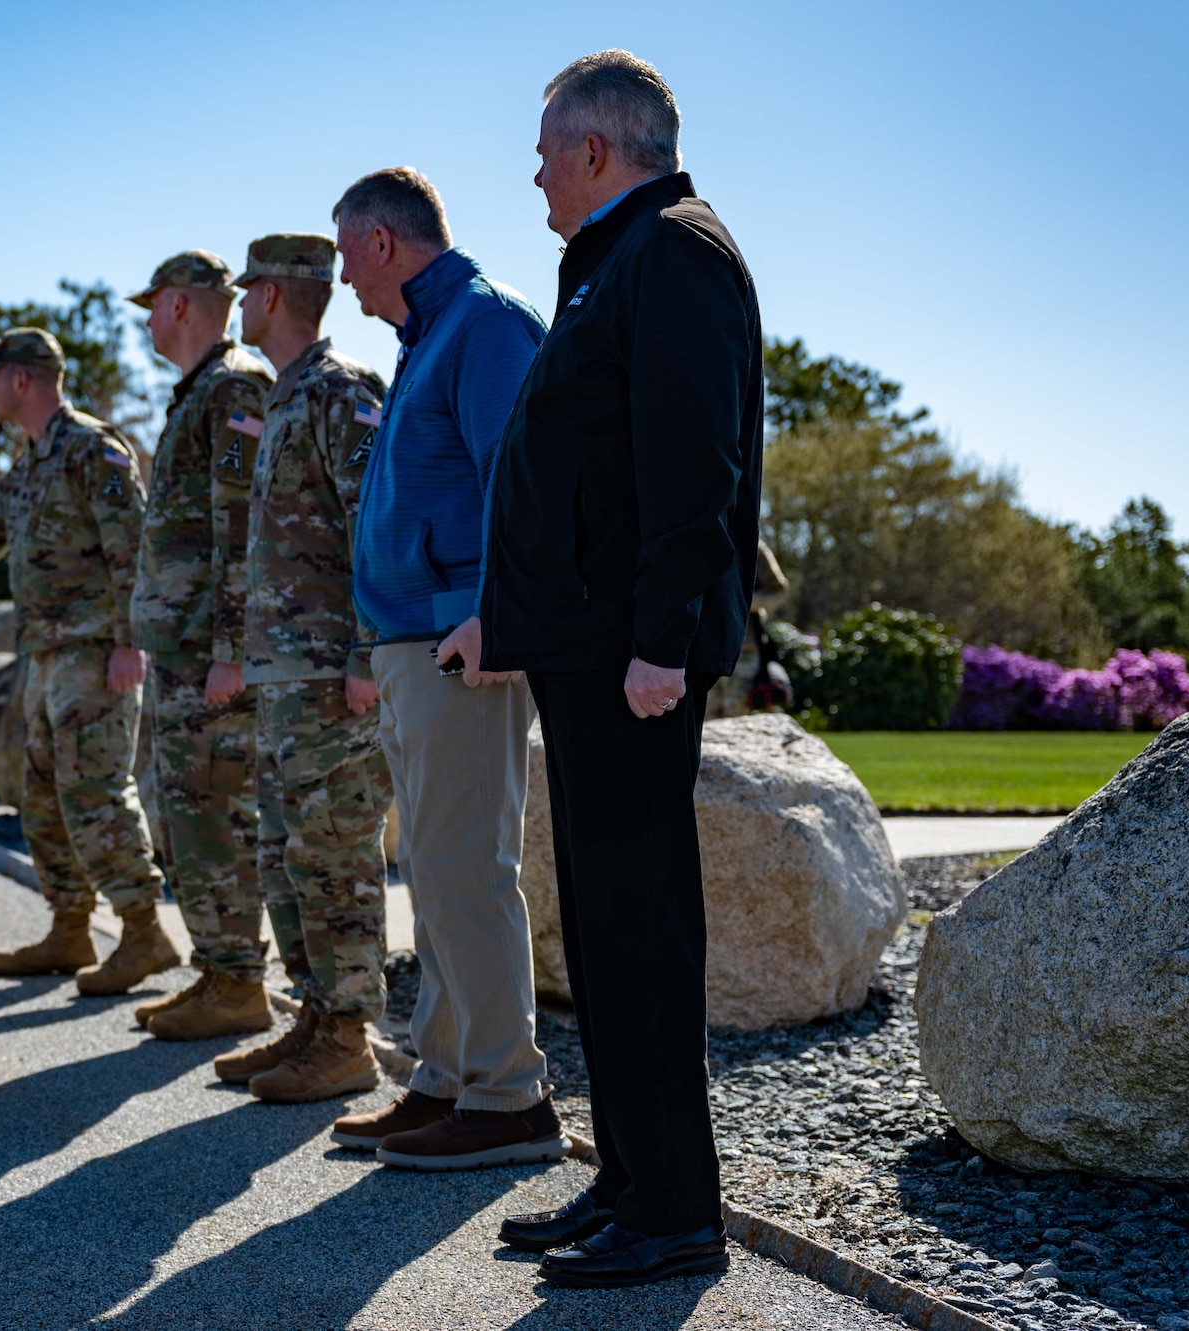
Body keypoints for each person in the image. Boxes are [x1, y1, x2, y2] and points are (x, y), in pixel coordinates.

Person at [475, 51, 763, 1287]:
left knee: (641, 929)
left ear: (596, 150)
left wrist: (659, 636)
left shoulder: (675, 251)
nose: (533, 172)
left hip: (629, 661)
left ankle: (678, 1210)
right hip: (583, 654)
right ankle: (630, 1178)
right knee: (598, 930)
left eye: (544, 150)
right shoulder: (609, 260)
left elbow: (694, 469)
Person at [323, 167, 567, 1170]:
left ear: (381, 242)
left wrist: (490, 615)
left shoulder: (481, 323)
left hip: (457, 645)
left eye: (345, 255)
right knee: (434, 869)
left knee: (465, 869)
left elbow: (526, 480)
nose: (341, 279)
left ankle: (510, 1098)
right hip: (415, 642)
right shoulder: (429, 337)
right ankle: (442, 1077)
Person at [0, 328, 179, 996]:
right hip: (44, 657)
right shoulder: (24, 469)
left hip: (94, 653)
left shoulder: (93, 449)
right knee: (42, 797)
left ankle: (142, 931)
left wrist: (130, 643)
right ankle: (69, 926)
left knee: (96, 791)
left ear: (21, 379)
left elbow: (132, 547)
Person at [212, 234, 393, 1104]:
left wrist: (365, 653)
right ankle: (317, 1018)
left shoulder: (339, 391)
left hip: (331, 673)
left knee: (335, 851)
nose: (241, 308)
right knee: (286, 852)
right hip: (286, 673)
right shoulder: (284, 399)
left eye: (249, 294)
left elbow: (375, 522)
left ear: (274, 297)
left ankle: (351, 1034)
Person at [125, 251, 277, 1041]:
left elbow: (242, 525)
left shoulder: (232, 386)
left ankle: (238, 982)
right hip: (182, 650)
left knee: (214, 811)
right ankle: (218, 969)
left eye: (153, 305)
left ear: (180, 305)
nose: (148, 318)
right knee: (189, 814)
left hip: (209, 656)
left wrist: (229, 648)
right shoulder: (200, 392)